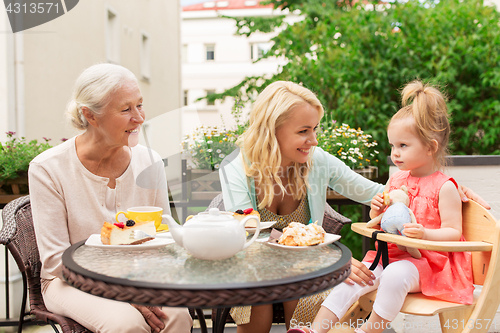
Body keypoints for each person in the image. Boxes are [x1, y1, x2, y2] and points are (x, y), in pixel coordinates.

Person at [219, 81, 487, 333]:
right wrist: (332, 261)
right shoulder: (236, 170)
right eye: (303, 131)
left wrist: (446, 188)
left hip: (305, 266)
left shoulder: (316, 161)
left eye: (315, 129)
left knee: (306, 299)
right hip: (255, 260)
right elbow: (249, 231)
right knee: (258, 300)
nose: (313, 140)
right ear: (272, 130)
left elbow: (384, 194)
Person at [288, 80, 474, 333]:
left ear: (431, 147)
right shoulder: (396, 179)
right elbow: (385, 220)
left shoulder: (445, 187)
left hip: (429, 265)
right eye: (392, 146)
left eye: (403, 146)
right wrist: (377, 208)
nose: (394, 153)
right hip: (389, 256)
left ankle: (368, 330)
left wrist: (425, 234)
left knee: (396, 274)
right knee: (352, 278)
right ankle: (314, 330)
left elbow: (453, 232)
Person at [29, 63, 193, 333]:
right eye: (126, 109)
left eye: (140, 105)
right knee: (125, 324)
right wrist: (125, 294)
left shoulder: (149, 162)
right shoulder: (48, 169)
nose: (139, 117)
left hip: (140, 276)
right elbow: (57, 261)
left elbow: (163, 236)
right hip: (68, 281)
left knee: (177, 316)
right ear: (90, 116)